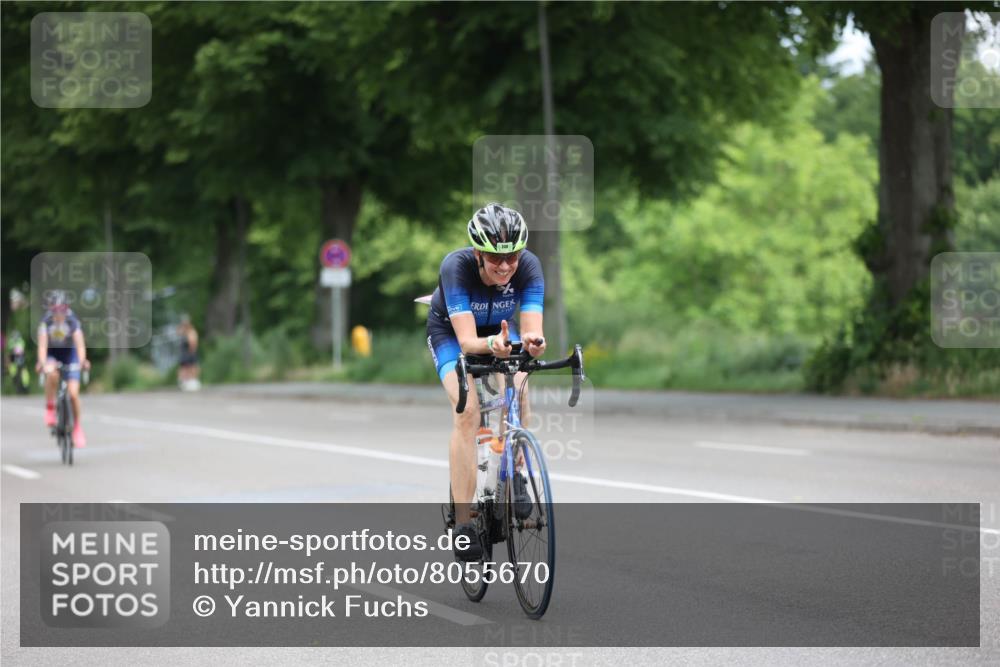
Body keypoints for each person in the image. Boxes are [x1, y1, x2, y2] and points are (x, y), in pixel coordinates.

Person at [426, 203, 547, 561]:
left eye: (512, 256)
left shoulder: (530, 267)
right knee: (468, 411)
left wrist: (534, 345)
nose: (506, 266)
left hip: (500, 333)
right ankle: (463, 523)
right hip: (451, 334)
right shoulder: (456, 267)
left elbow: (532, 333)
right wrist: (493, 346)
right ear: (478, 252)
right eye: (496, 258)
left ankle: (515, 473)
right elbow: (467, 343)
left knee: (521, 389)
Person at [35, 290, 90, 448]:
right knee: (51, 374)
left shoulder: (72, 320)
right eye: (55, 310)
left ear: (67, 308)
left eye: (62, 310)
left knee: (73, 394)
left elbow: (79, 344)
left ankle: (77, 428)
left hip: (69, 355)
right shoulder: (45, 322)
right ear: (51, 309)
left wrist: (82, 360)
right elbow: (43, 346)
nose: (59, 314)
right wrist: (42, 362)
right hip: (52, 353)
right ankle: (50, 407)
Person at [176, 314, 201, 391]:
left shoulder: (191, 332)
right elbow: (178, 332)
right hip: (185, 353)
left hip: (189, 353)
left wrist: (192, 352)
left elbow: (193, 344)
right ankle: (184, 382)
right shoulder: (183, 332)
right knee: (185, 368)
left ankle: (191, 381)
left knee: (191, 367)